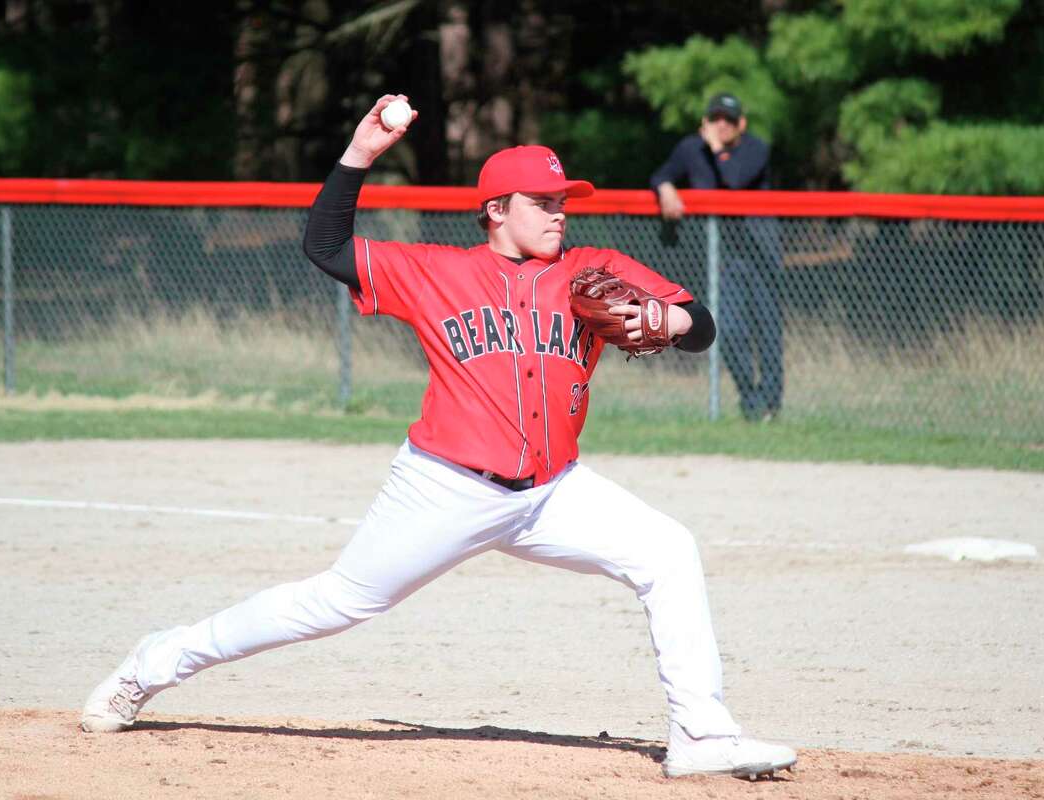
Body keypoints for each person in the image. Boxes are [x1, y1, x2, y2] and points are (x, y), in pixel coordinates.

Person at [79, 94, 797, 780]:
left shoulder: (591, 270)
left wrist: (673, 324)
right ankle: (152, 663)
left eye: (562, 201)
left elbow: (699, 324)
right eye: (542, 203)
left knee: (669, 551)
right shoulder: (437, 272)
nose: (558, 214)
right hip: (445, 486)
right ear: (495, 211)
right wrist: (361, 152)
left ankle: (701, 734)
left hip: (552, 491)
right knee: (335, 603)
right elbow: (324, 246)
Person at [650, 92, 784, 422]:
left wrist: (717, 150)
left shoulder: (756, 148)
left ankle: (771, 404)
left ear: (742, 124)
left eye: (728, 119)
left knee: (767, 332)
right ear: (704, 123)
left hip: (762, 255)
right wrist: (666, 187)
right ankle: (751, 403)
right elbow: (660, 173)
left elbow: (734, 180)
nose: (721, 125)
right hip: (723, 259)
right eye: (715, 118)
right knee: (730, 330)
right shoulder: (690, 149)